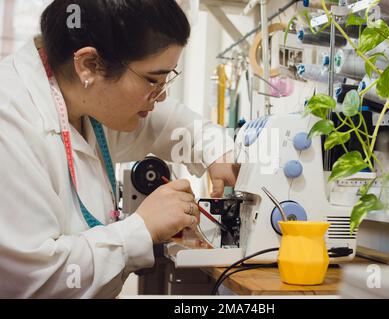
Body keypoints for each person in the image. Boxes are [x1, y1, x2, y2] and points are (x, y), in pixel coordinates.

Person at [0, 0, 238, 298]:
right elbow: (36, 281)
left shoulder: (82, 98)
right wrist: (142, 228)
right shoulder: (10, 122)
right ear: (89, 65)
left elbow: (175, 125)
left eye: (166, 81)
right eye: (153, 80)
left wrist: (218, 152)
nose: (160, 97)